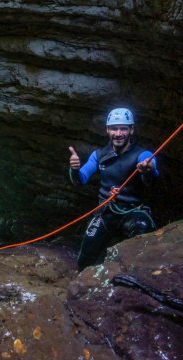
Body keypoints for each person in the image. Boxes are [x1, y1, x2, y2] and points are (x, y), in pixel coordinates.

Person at [68, 108, 158, 271]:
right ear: (107, 130)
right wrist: (74, 169)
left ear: (131, 130)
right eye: (114, 128)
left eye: (123, 128)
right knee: (84, 261)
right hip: (106, 213)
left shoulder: (142, 155)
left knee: (142, 226)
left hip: (132, 213)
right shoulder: (99, 155)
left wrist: (147, 169)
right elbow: (80, 180)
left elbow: (152, 176)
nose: (118, 133)